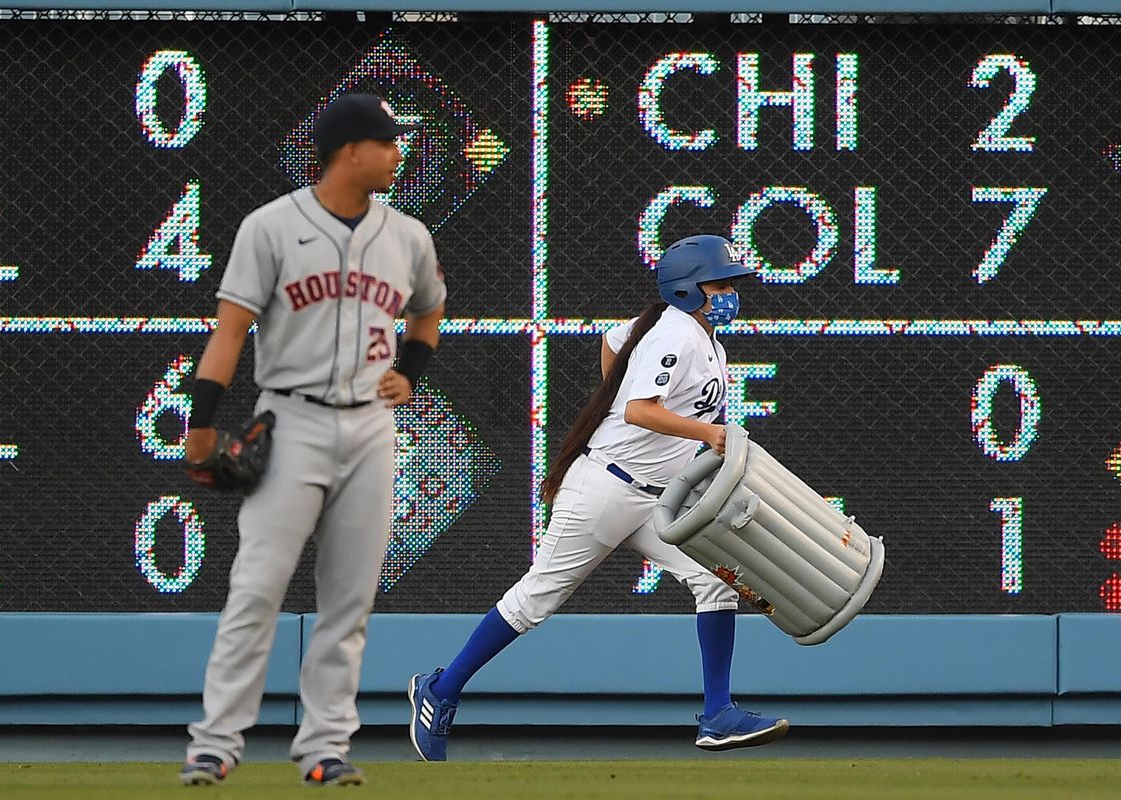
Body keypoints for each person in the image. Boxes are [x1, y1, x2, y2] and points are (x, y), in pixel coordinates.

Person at [407, 234, 787, 761]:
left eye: (729, 283)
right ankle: (441, 688)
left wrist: (624, 394)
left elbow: (613, 341)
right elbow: (637, 410)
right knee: (536, 600)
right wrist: (702, 433)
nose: (729, 292)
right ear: (686, 289)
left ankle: (718, 714)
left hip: (655, 500)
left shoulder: (686, 333)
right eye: (719, 283)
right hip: (606, 490)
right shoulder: (676, 335)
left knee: (711, 578)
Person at [179, 93, 447, 786]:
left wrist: (410, 376)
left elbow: (429, 311)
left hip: (370, 426)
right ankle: (215, 743)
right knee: (257, 587)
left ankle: (325, 747)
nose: (398, 153)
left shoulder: (408, 235)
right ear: (349, 150)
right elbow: (230, 331)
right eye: (388, 143)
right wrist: (201, 423)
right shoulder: (269, 227)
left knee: (349, 598)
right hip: (291, 417)